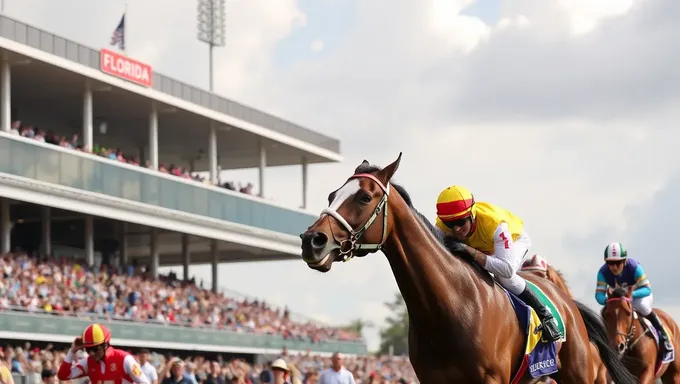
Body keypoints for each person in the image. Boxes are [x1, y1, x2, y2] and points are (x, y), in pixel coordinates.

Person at [435, 185, 562, 342]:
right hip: (484, 248)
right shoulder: (441, 226)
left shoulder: (494, 224)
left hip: (514, 242)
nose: (457, 229)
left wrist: (470, 251)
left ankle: (545, 315)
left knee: (504, 278)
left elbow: (507, 269)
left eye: (461, 222)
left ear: (472, 214)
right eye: (450, 224)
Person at [595, 242, 673, 352]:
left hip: (639, 295)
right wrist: (608, 300)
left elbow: (647, 289)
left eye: (618, 263)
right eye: (610, 263)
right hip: (618, 300)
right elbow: (599, 296)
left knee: (643, 306)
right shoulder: (602, 272)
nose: (614, 267)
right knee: (606, 312)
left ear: (625, 261)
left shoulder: (634, 267)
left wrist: (631, 296)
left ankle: (664, 336)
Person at [56, 323, 150, 384]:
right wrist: (72, 351)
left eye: (95, 349)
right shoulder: (88, 362)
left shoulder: (124, 359)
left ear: (105, 344)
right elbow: (63, 375)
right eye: (88, 350)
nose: (92, 353)